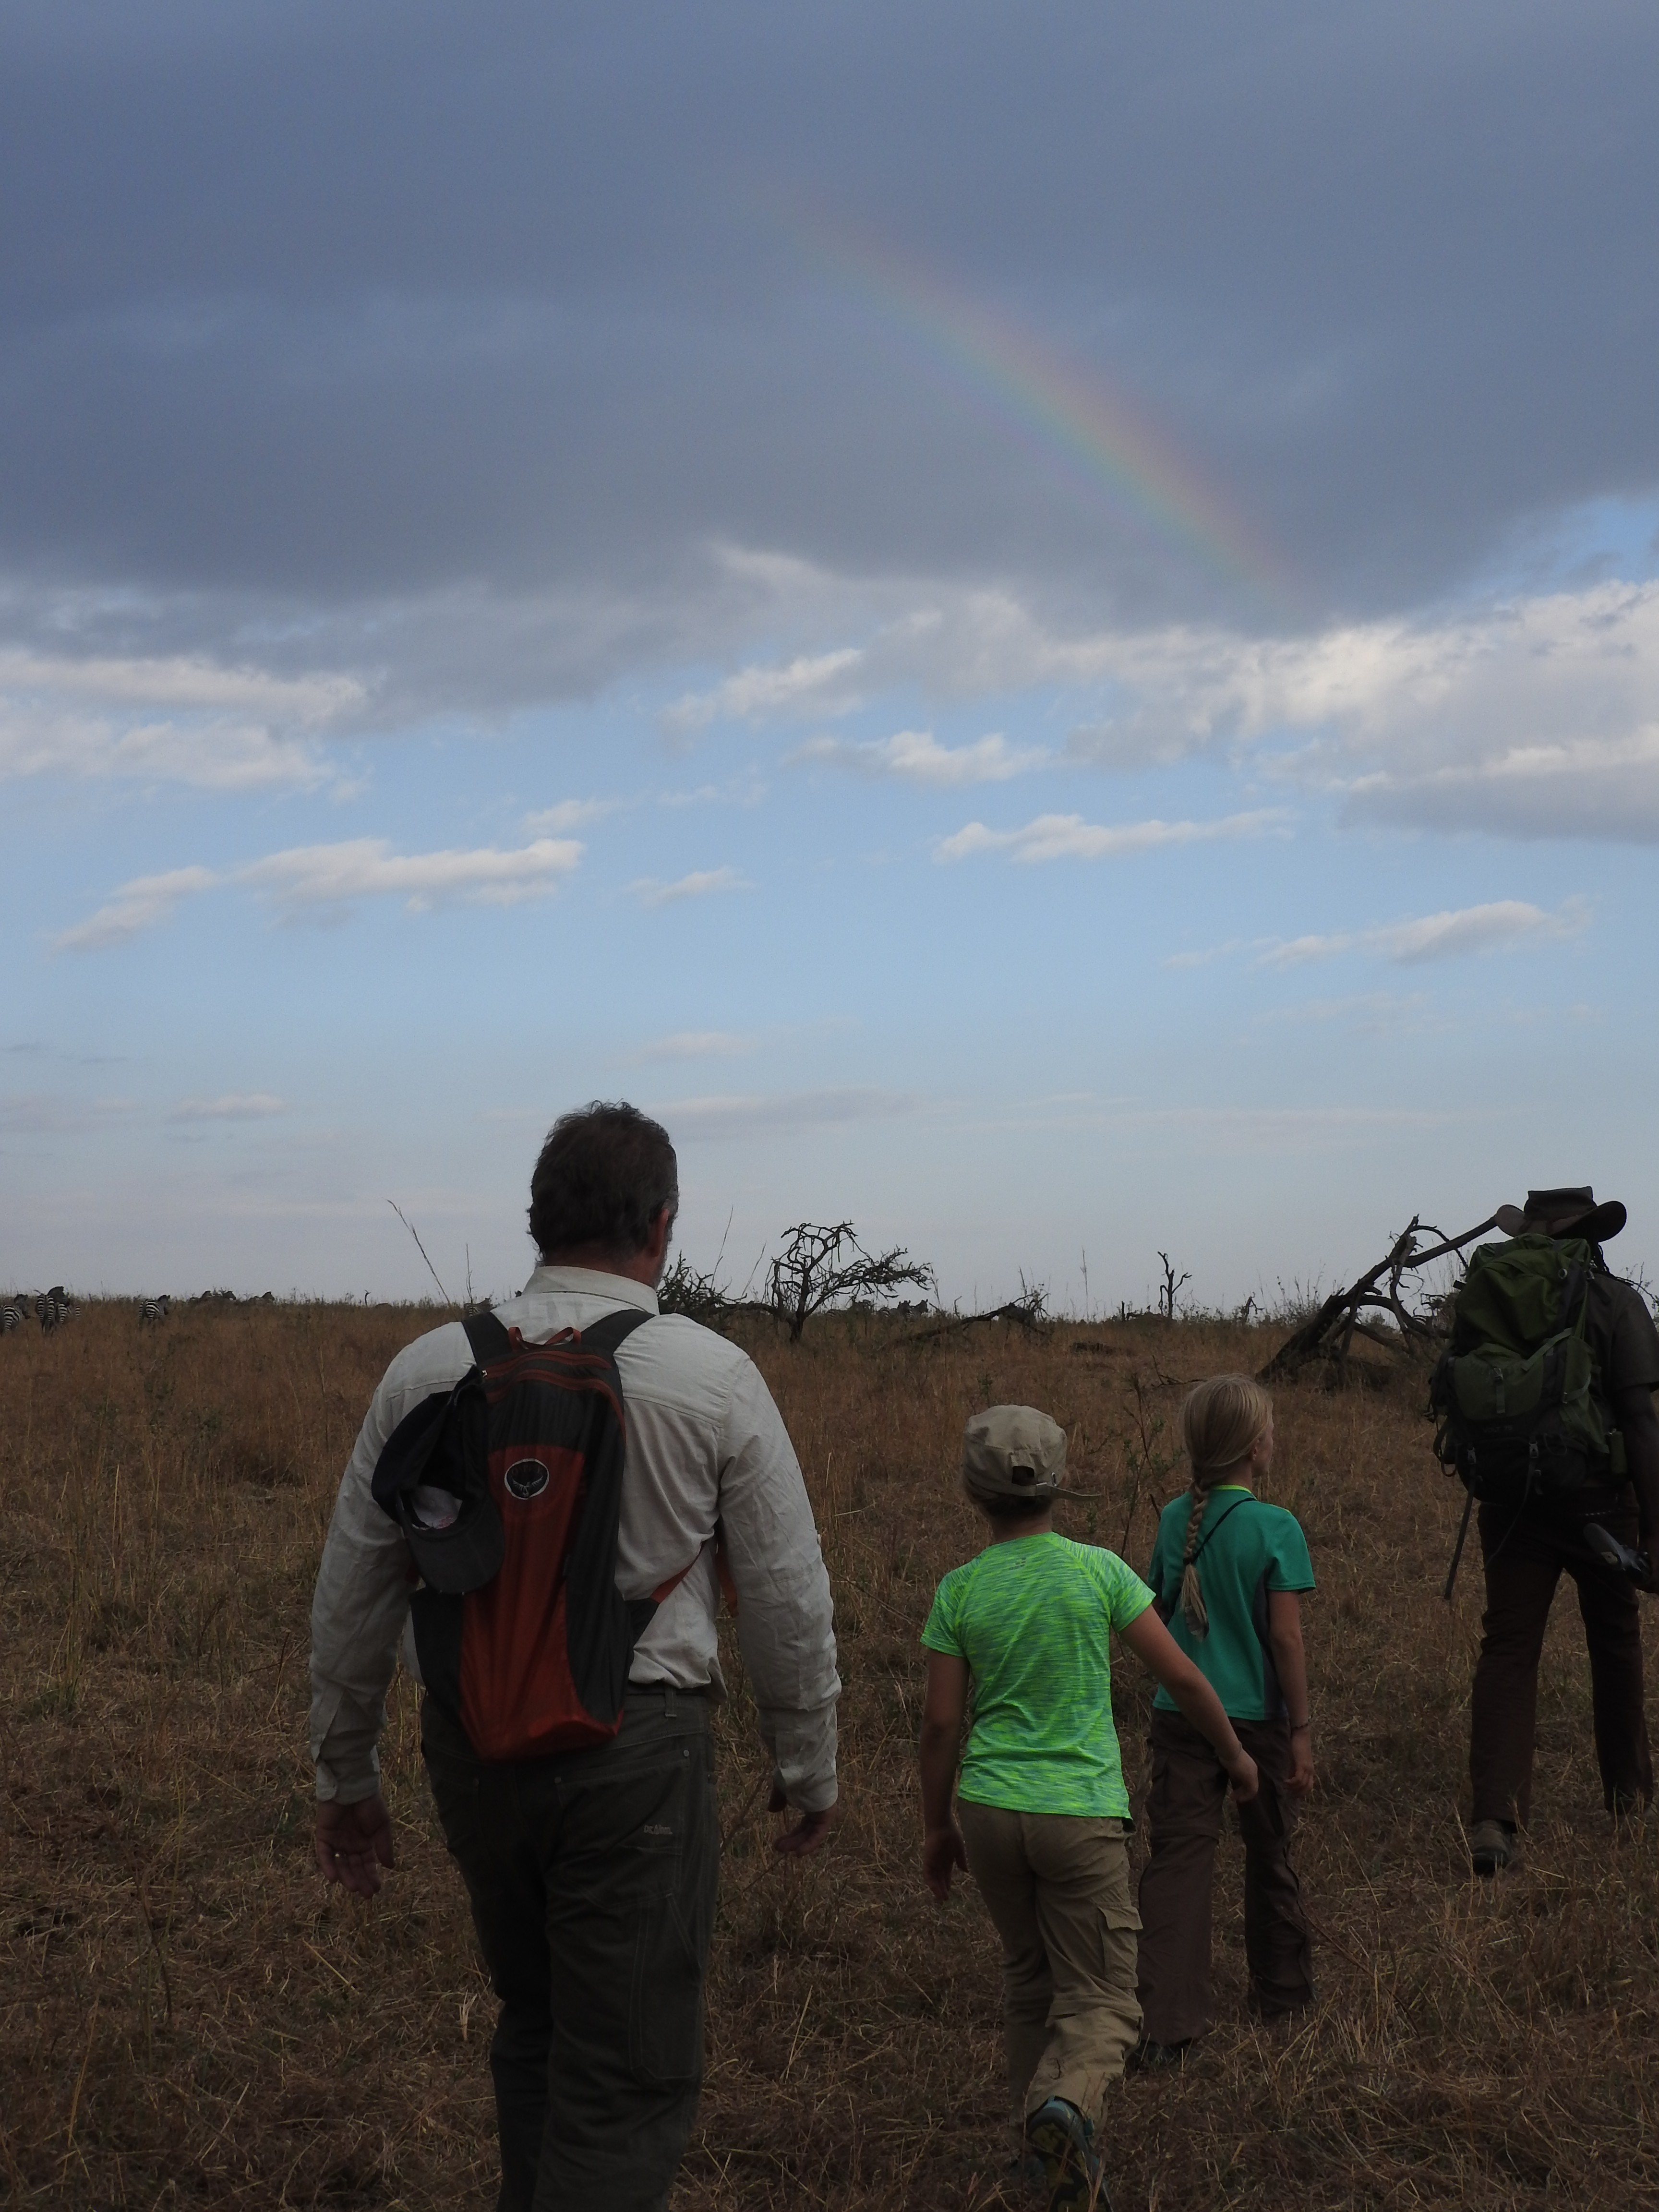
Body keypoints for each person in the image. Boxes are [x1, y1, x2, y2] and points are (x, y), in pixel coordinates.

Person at [309, 1102, 842, 2212]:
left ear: (538, 1220)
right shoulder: (713, 1375)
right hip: (637, 1755)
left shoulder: (424, 1370)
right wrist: (808, 1763)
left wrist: (345, 1772)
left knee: (537, 2022)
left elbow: (356, 1588)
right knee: (626, 2074)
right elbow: (786, 1593)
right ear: (661, 1227)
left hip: (472, 1746)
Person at [917, 1405, 1259, 2212]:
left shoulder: (959, 1590)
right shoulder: (1098, 1571)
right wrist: (1234, 1755)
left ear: (974, 1492)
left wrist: (937, 1826)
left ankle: (1037, 2154)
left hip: (988, 1811)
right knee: (1105, 1996)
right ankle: (1067, 2110)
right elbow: (1180, 1677)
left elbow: (940, 1724)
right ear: (1059, 1483)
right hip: (1079, 1816)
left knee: (1028, 1977)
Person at [1466, 1186, 1659, 1875]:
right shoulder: (1616, 1300)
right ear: (1590, 1235)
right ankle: (1629, 1799)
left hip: (1513, 1499)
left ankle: (1494, 1819)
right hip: (1601, 1501)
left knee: (1509, 1648)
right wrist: (1654, 1530)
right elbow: (1641, 1420)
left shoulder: (1491, 1293)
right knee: (1615, 1640)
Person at [1134, 1374, 1316, 2066]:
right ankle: (1284, 1995)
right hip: (1258, 1724)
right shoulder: (1277, 1528)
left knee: (1179, 1857)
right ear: (1254, 1448)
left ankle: (1165, 2024)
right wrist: (1301, 1730)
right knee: (1270, 1851)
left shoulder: (1174, 1520)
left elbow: (1155, 1609)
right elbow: (1286, 1641)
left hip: (1181, 1717)